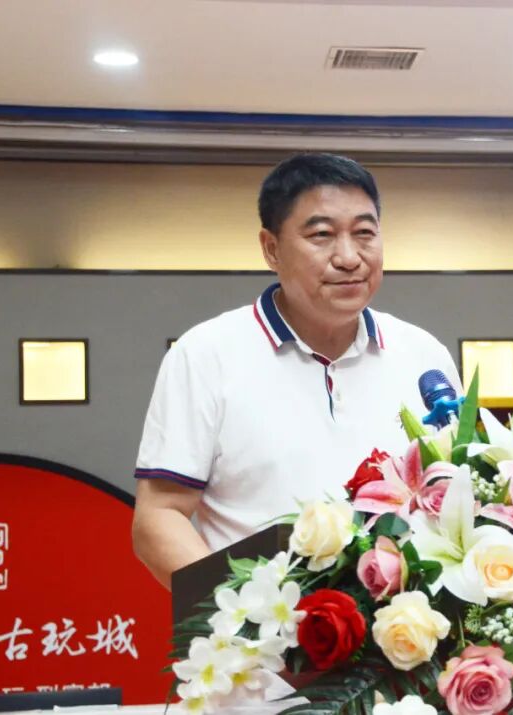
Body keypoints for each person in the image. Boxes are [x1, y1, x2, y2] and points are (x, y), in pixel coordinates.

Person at [131, 153, 460, 588]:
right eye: (322, 235)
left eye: (365, 233)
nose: (349, 257)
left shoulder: (423, 353)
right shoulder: (206, 355)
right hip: (268, 624)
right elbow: (160, 517)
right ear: (272, 249)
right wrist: (244, 612)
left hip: (406, 624)